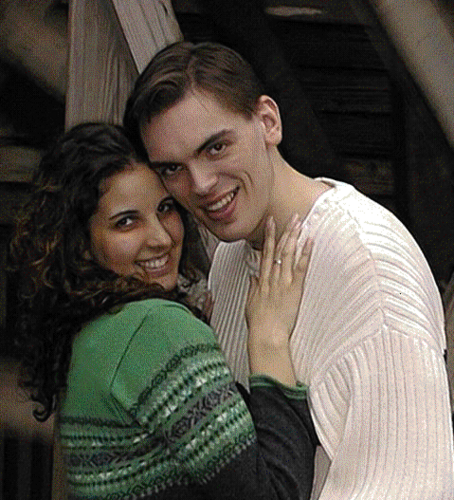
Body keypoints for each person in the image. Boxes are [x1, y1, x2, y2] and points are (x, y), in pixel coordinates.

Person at [123, 41, 454, 498]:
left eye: (216, 147)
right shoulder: (231, 257)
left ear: (268, 121)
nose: (199, 184)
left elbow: (411, 485)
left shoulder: (369, 265)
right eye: (173, 169)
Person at [9, 122, 319, 500]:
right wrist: (268, 338)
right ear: (81, 244)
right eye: (126, 222)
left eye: (165, 209)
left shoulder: (93, 335)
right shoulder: (153, 328)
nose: (161, 237)